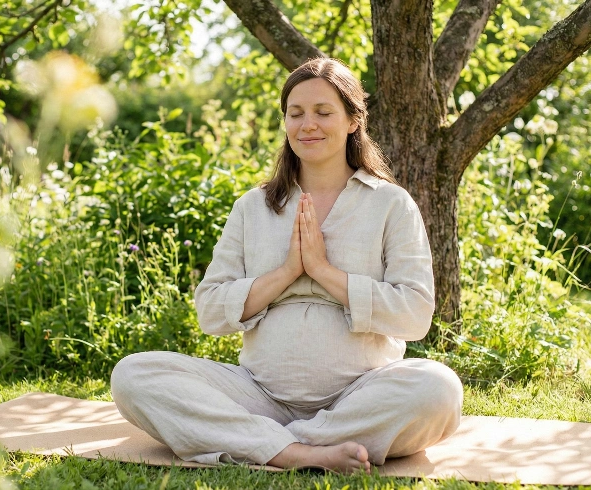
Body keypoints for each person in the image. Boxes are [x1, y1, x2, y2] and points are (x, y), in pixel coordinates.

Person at [111, 58, 463, 474]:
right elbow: (209, 309)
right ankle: (303, 452)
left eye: (323, 112)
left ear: (353, 120)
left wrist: (323, 271)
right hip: (257, 395)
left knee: (438, 390)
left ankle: (262, 442)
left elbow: (415, 314)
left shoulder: (390, 204)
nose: (307, 124)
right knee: (133, 375)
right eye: (295, 114)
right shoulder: (253, 207)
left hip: (359, 395)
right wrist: (286, 273)